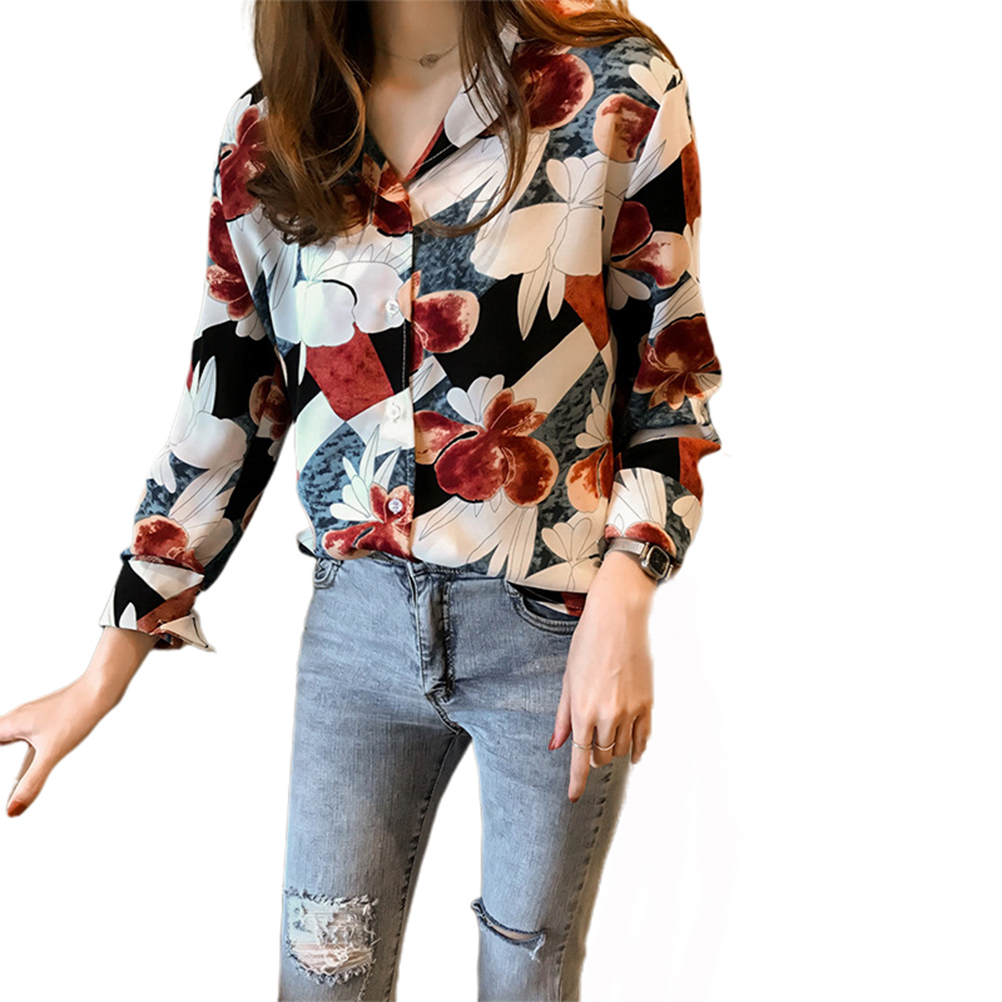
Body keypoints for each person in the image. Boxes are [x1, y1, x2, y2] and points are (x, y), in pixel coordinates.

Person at [0, 0, 723, 998]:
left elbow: (669, 375)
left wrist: (626, 591)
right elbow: (229, 405)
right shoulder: (272, 134)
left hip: (554, 639)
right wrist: (103, 670)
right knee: (322, 976)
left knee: (525, 978)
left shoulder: (612, 90)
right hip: (359, 636)